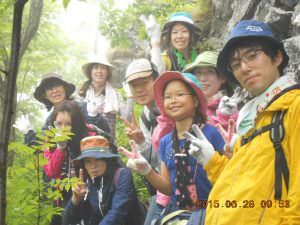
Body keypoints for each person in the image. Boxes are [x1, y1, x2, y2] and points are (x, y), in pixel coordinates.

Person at [184, 20, 300, 224]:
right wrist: (212, 162)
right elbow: (237, 191)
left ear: (277, 57)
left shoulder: (294, 107)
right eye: (236, 64)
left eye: (253, 55)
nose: (244, 68)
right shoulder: (252, 121)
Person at [119, 72, 224, 223]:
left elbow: (227, 175)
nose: (173, 101)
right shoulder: (165, 142)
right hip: (179, 215)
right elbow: (168, 188)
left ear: (195, 101)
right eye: (168, 97)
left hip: (212, 211)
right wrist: (146, 170)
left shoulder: (210, 133)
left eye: (180, 94)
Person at [122, 58, 174, 225]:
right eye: (134, 85)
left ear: (157, 81)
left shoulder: (171, 107)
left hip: (182, 188)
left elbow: (171, 157)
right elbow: (156, 161)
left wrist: (143, 143)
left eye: (144, 82)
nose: (139, 89)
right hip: (162, 188)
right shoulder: (145, 115)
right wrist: (141, 142)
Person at [44, 100, 110, 225]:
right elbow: (51, 172)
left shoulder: (89, 135)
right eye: (59, 123)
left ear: (76, 123)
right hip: (62, 193)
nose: (63, 128)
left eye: (68, 124)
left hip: (89, 191)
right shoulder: (51, 138)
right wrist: (60, 148)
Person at [63, 135, 135, 225]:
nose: (93, 166)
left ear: (107, 160)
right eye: (88, 161)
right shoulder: (88, 183)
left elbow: (118, 212)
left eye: (98, 159)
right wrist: (75, 200)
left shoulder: (122, 175)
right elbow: (68, 221)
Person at [184, 51, 240, 131]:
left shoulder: (231, 108)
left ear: (223, 78)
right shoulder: (187, 106)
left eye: (210, 72)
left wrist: (224, 118)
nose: (203, 79)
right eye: (198, 73)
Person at [14, 73, 76, 145]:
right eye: (49, 88)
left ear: (65, 89)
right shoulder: (50, 120)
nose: (54, 91)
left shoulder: (80, 107)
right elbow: (42, 145)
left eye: (57, 85)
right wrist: (28, 132)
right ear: (45, 95)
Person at [79, 56, 125, 140]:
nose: (99, 71)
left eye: (103, 68)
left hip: (107, 144)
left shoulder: (115, 95)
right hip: (84, 143)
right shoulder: (82, 94)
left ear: (108, 72)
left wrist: (130, 97)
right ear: (90, 71)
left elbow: (126, 117)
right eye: (96, 68)